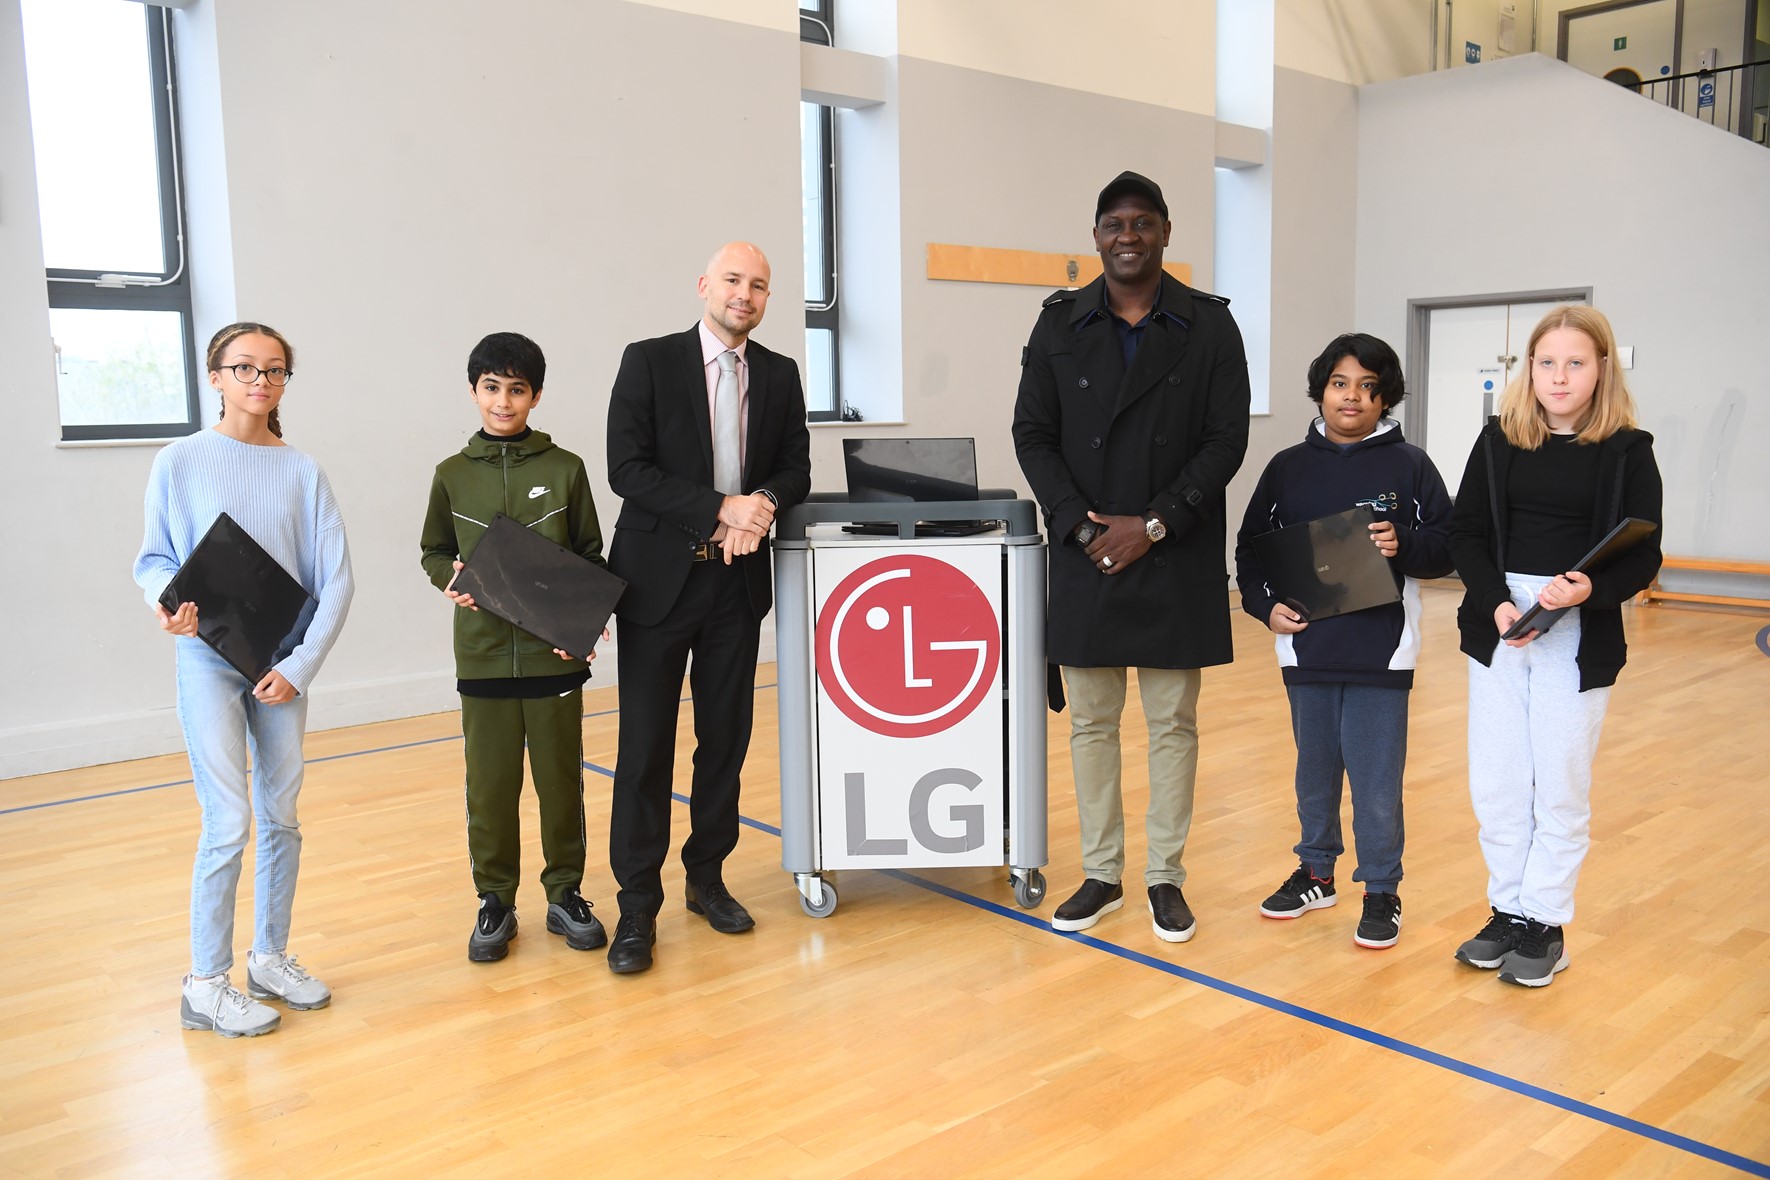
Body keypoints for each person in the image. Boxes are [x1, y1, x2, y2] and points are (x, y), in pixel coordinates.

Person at [1012, 172, 1250, 943]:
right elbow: (1033, 436)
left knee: (1173, 724)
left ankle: (1164, 879)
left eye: (1142, 223)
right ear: (1094, 238)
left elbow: (1226, 441)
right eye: (1113, 223)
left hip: (1170, 549)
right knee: (1090, 723)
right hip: (1087, 554)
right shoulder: (1057, 324)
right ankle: (1102, 874)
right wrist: (1083, 529)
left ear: (1166, 233)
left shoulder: (1210, 328)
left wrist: (1150, 525)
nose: (1127, 236)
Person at [134, 322, 354, 1038]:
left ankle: (270, 958)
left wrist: (296, 668)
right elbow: (155, 559)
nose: (261, 381)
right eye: (245, 368)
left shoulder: (302, 470)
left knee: (282, 816)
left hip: (280, 668)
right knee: (227, 820)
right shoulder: (180, 461)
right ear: (215, 376)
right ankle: (204, 983)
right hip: (206, 659)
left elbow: (337, 582)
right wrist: (169, 606)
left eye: (275, 370)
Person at [603, 242, 811, 974]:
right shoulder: (649, 361)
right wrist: (718, 506)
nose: (744, 295)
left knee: (724, 742)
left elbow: (795, 467)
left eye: (758, 285)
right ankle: (636, 904)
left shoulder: (780, 374)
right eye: (732, 280)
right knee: (645, 749)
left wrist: (762, 505)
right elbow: (627, 469)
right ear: (703, 285)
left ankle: (706, 878)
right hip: (659, 584)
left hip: (736, 586)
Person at [1448, 305, 1662, 987]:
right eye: (1547, 363)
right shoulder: (1497, 441)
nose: (1560, 376)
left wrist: (1582, 592)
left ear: (1602, 368)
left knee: (1559, 784)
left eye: (1576, 362)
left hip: (1578, 630)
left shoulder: (1629, 450)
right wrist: (1499, 603)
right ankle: (1507, 909)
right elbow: (1466, 535)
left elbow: (1643, 555)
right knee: (1500, 781)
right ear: (1529, 369)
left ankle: (1545, 921)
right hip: (1502, 627)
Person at [1234, 333, 1454, 949]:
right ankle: (1316, 872)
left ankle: (1381, 889)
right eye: (1339, 383)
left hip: (1382, 651)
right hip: (1305, 648)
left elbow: (1450, 544)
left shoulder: (1410, 464)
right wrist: (1262, 607)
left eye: (1367, 386)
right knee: (1314, 773)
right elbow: (1250, 549)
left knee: (1377, 781)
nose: (1352, 396)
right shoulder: (1286, 468)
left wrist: (1403, 544)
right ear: (1321, 390)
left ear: (1384, 398)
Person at [420, 332, 610, 963]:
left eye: (517, 389)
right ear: (474, 391)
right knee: (490, 788)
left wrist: (580, 628)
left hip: (553, 656)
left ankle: (566, 894)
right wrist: (446, 574)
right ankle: (495, 900)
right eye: (492, 387)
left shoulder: (566, 469)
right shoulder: (451, 476)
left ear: (535, 396)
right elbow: (432, 550)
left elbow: (589, 558)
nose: (504, 401)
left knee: (561, 783)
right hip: (481, 657)